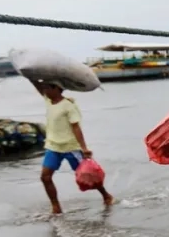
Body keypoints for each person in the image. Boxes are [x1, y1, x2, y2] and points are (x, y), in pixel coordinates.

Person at [30, 80, 113, 214]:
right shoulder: (48, 101)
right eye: (44, 88)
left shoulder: (68, 106)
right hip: (53, 147)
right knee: (45, 177)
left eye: (47, 88)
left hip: (71, 148)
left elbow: (76, 127)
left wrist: (84, 148)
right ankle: (56, 207)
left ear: (57, 88)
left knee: (88, 176)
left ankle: (106, 195)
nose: (45, 91)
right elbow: (37, 85)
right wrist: (30, 75)